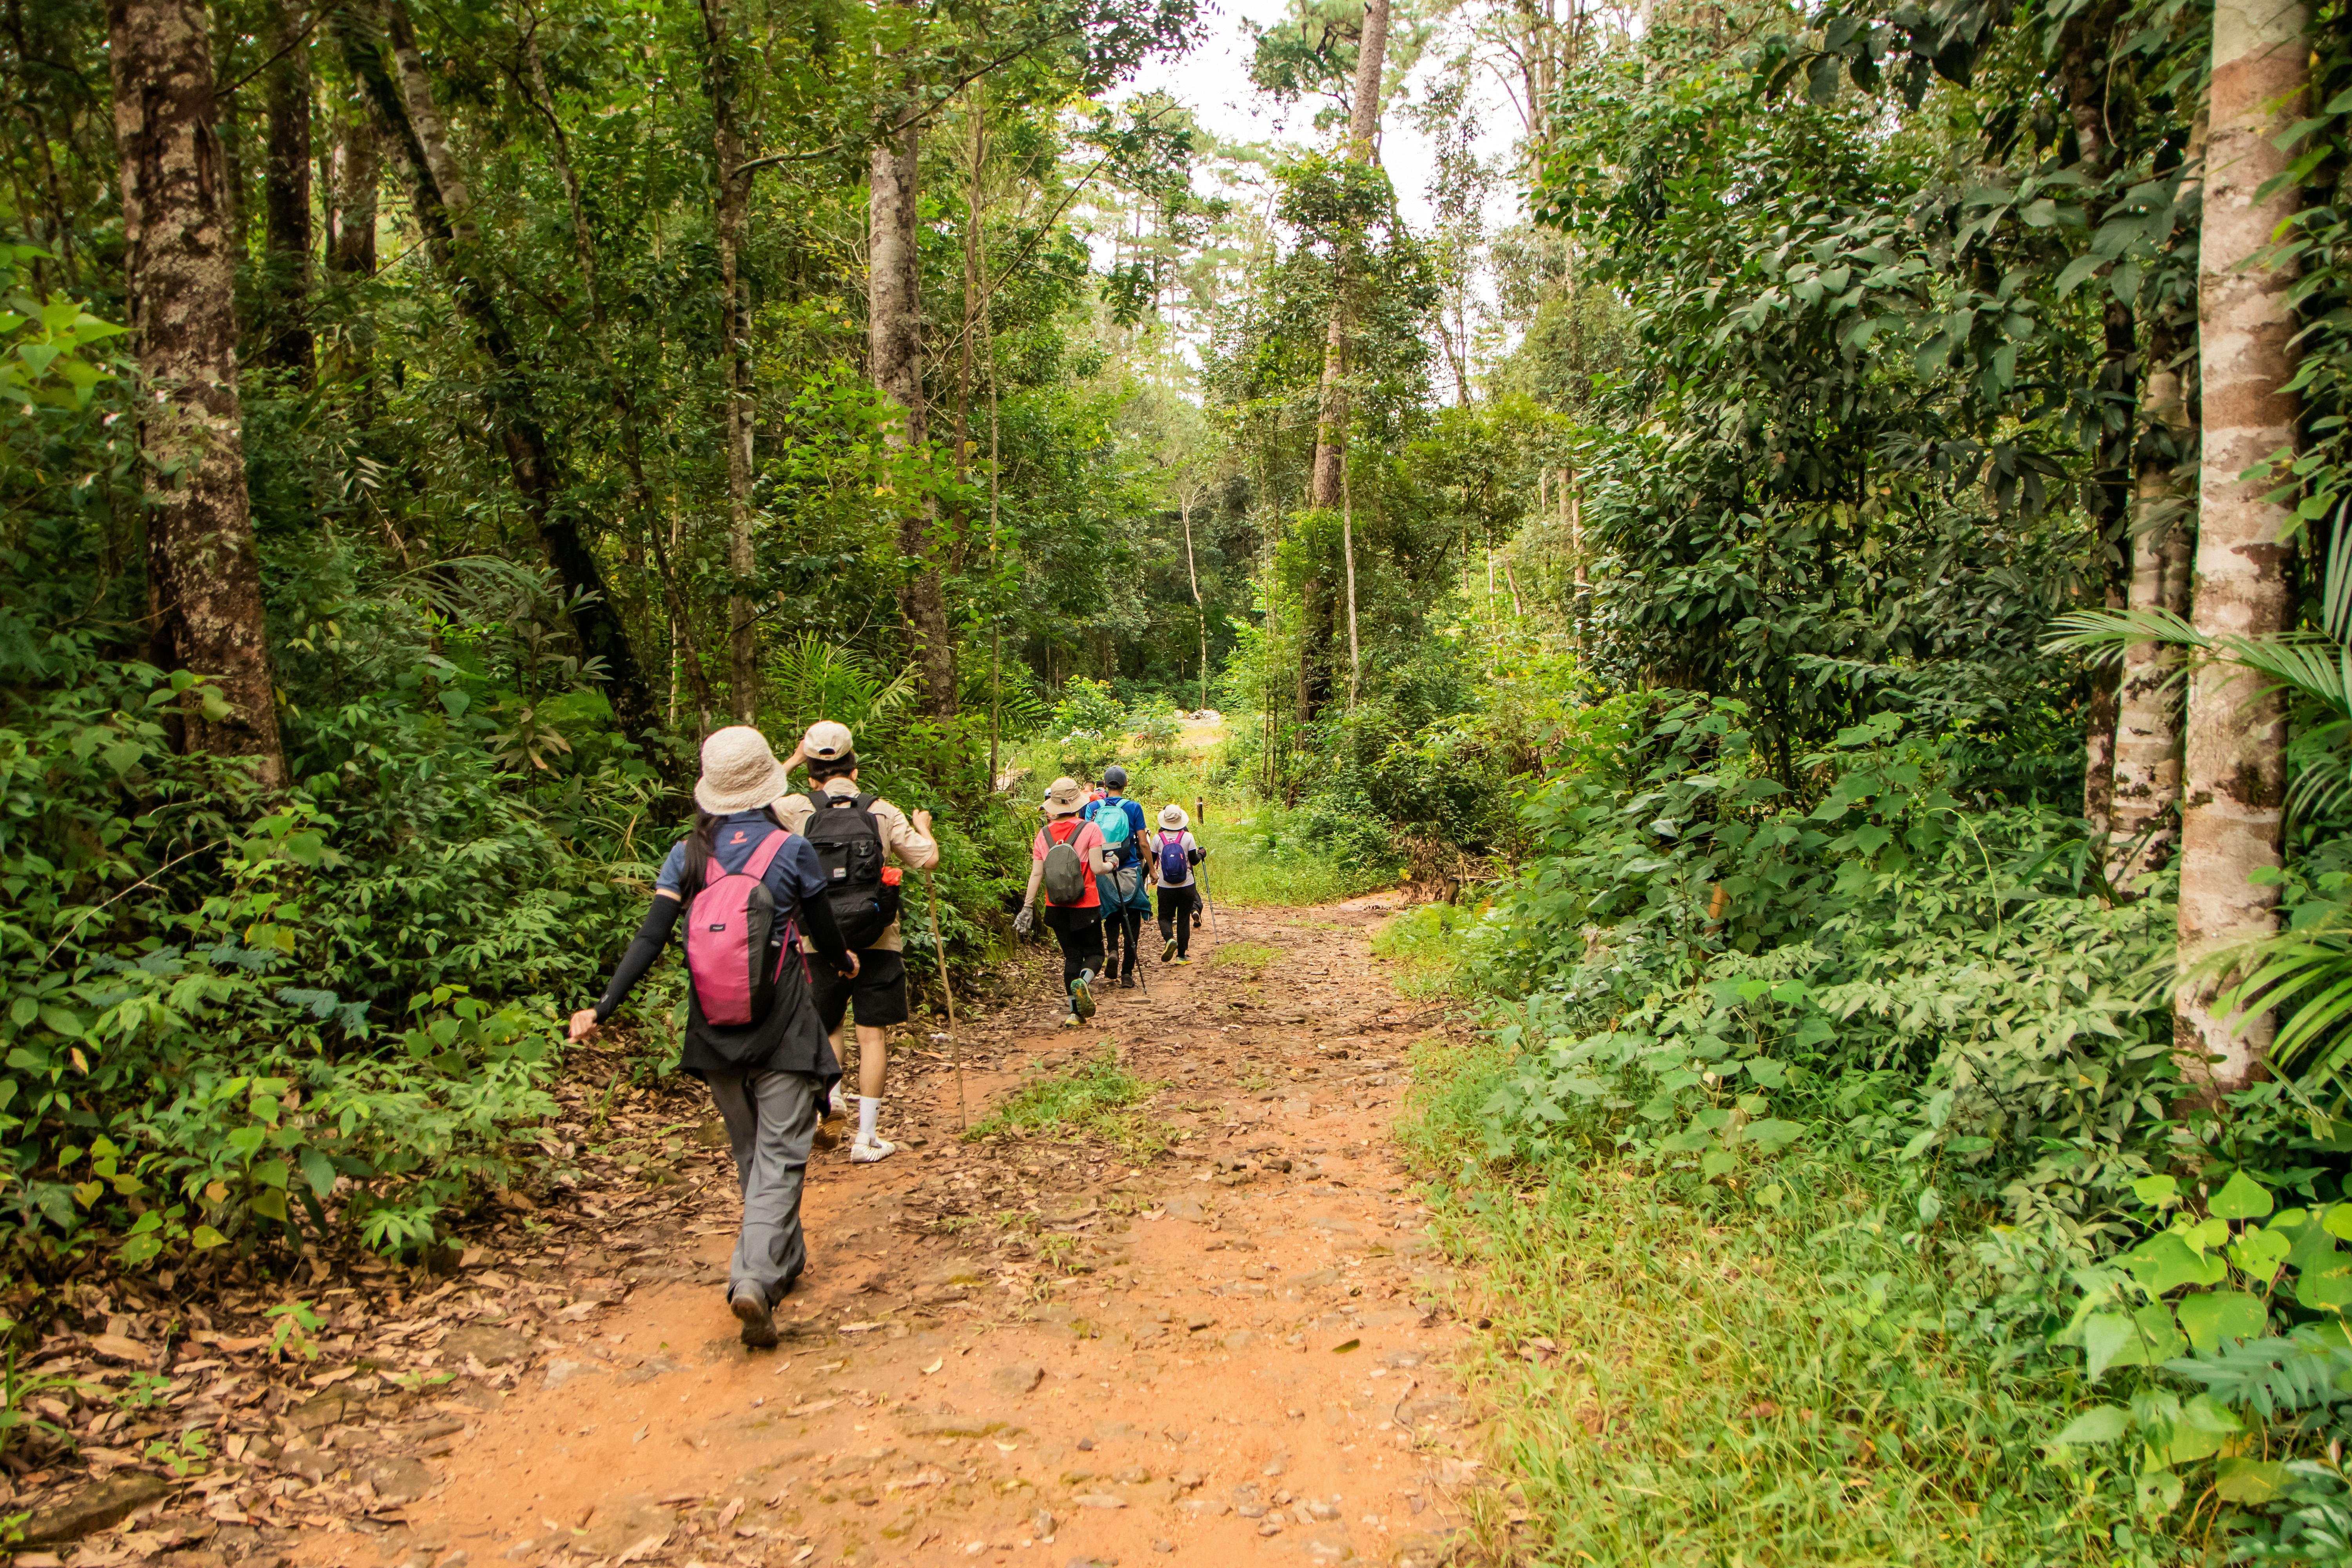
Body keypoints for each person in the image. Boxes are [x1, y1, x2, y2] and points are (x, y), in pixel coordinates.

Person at [569, 727, 858, 1350]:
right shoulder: (789, 850)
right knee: (782, 1156)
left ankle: (785, 1258)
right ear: (767, 787)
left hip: (714, 1029)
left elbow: (650, 939)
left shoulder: (687, 855)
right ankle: (753, 1276)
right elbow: (822, 929)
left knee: (753, 1152)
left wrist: (603, 1006)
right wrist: (843, 963)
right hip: (780, 1026)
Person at [774, 720, 938, 1165]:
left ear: (811, 773)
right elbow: (927, 859)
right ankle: (866, 1139)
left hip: (818, 939)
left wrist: (789, 762)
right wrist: (924, 827)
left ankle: (831, 1094)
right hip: (878, 937)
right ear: (856, 769)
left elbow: (748, 804)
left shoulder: (794, 810)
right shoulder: (882, 811)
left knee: (829, 1026)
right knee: (872, 1036)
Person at [1014, 776, 1117, 1026]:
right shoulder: (1090, 829)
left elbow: (1037, 874)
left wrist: (1027, 907)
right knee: (1095, 954)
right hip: (1086, 905)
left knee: (1071, 956)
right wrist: (1112, 863)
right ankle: (1084, 981)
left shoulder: (1043, 835)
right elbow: (1096, 867)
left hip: (1056, 906)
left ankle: (1075, 1013)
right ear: (1076, 803)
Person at [1082, 764, 1151, 988]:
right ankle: (1128, 975)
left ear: (1105, 784)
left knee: (1111, 913)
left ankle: (1112, 949)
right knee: (1132, 918)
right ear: (1125, 784)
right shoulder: (1133, 808)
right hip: (1129, 867)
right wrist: (1154, 869)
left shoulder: (1091, 808)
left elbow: (1085, 841)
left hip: (1103, 868)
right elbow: (1142, 842)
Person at [1148, 803, 1205, 963]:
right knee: (1183, 919)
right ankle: (1181, 956)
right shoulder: (1188, 837)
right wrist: (1201, 854)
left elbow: (1151, 862)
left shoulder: (1158, 839)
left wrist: (1144, 878)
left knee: (1165, 917)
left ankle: (1169, 940)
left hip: (1165, 886)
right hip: (1186, 885)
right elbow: (1194, 861)